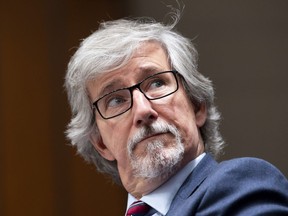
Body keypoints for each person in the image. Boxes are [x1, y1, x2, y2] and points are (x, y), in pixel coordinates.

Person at [64, 11, 288, 215]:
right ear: (101, 143)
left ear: (197, 105)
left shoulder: (242, 185)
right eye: (115, 100)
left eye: (156, 83)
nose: (143, 110)